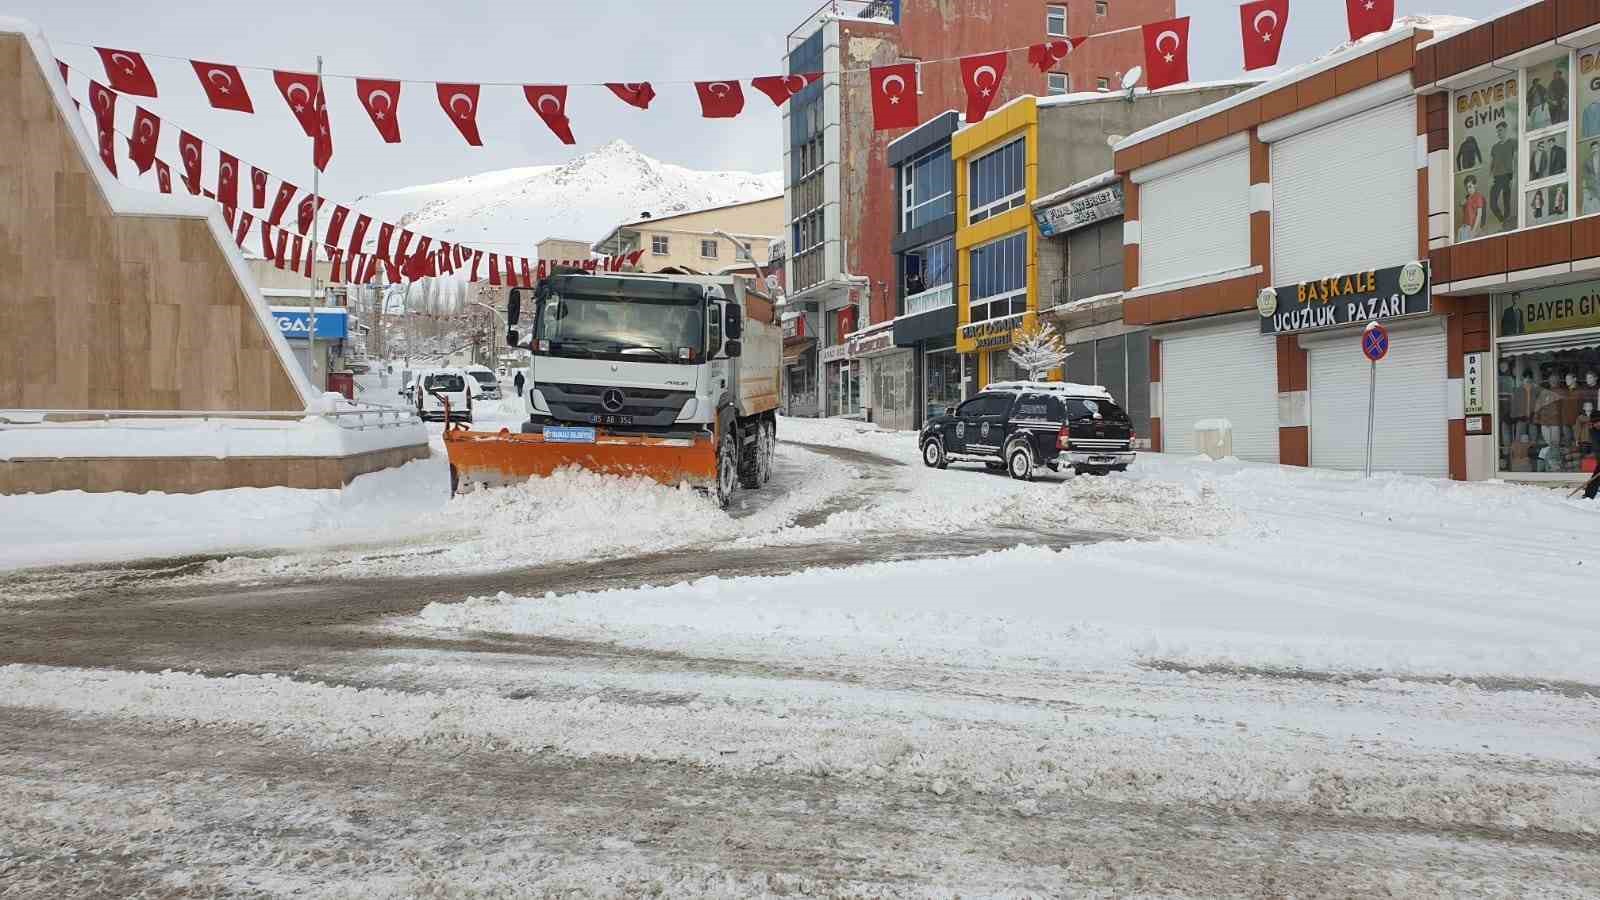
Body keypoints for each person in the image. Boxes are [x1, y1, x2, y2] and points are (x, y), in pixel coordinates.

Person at [1490, 121, 1518, 228]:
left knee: (1507, 203)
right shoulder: (1494, 147)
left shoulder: (1512, 143)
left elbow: (1515, 160)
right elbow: (1491, 163)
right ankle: (1502, 220)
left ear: (1506, 130)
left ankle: (1506, 224)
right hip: (1496, 177)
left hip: (1507, 176)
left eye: (1500, 130)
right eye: (1497, 131)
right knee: (1493, 203)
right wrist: (1489, 177)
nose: (1499, 133)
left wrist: (1514, 177)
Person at [1459, 175, 1487, 241]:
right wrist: (1462, 203)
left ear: (1475, 185)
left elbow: (1479, 215)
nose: (1468, 190)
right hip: (1465, 226)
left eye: (1470, 187)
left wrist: (1473, 231)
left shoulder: (1478, 197)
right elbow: (1461, 205)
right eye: (1466, 188)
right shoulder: (1467, 197)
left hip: (1473, 227)